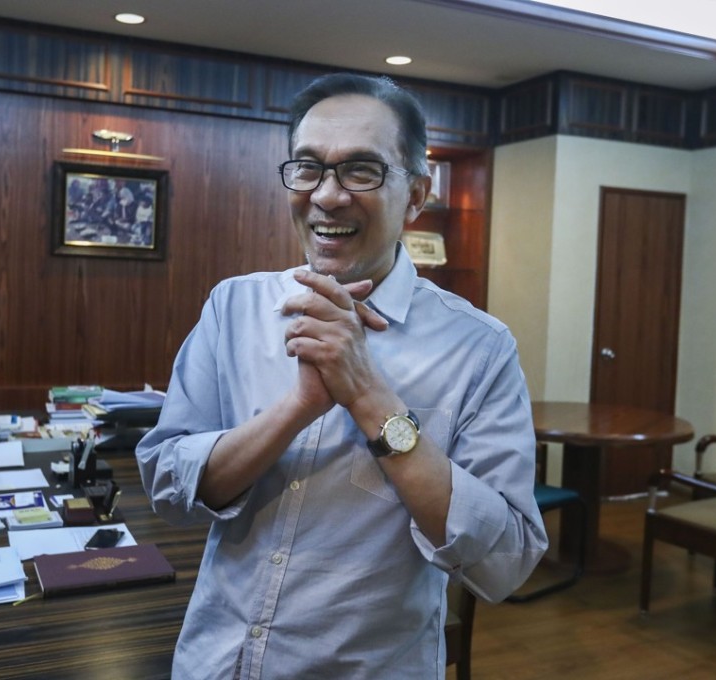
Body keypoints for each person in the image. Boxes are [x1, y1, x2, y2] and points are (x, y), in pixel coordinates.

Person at [136, 72, 547, 679]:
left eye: (362, 170)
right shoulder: (234, 308)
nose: (327, 196)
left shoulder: (479, 348)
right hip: (215, 660)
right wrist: (296, 409)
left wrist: (368, 397)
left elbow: (506, 560)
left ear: (415, 195)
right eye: (308, 168)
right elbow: (168, 487)